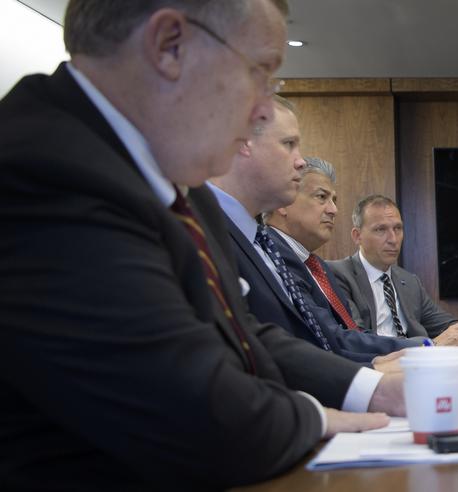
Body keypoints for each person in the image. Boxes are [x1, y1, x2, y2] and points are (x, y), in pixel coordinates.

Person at [0, 1, 403, 488]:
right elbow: (197, 416)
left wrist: (371, 391)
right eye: (259, 72)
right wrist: (314, 417)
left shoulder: (176, 183)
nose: (261, 109)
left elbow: (242, 333)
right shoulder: (44, 172)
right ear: (170, 45)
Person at [212, 134, 428, 364]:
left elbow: (349, 335)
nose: (334, 209)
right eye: (322, 197)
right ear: (286, 202)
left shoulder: (318, 267)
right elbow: (328, 341)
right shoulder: (272, 258)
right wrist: (423, 346)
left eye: (334, 199)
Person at [328, 195, 458, 346]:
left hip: (417, 368)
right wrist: (429, 344)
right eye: (381, 229)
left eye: (398, 228)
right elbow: (358, 339)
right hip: (377, 369)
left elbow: (442, 323)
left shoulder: (408, 280)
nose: (393, 239)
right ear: (357, 236)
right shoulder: (338, 275)